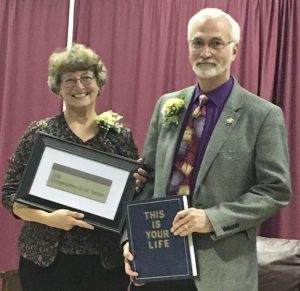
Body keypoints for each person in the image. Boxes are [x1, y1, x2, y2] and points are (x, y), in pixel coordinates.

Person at [123, 8, 291, 291]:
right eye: (198, 43)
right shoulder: (168, 104)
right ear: (188, 47)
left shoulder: (263, 115)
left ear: (234, 50)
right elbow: (148, 179)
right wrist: (133, 238)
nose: (206, 52)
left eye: (216, 43)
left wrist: (211, 219)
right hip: (160, 262)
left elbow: (275, 190)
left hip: (221, 273)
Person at [2, 43, 147, 291]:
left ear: (99, 84)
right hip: (45, 260)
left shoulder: (120, 136)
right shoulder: (39, 133)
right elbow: (9, 194)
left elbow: (129, 200)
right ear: (57, 88)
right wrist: (49, 218)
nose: (79, 86)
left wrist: (136, 185)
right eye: (69, 80)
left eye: (86, 78)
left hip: (105, 262)